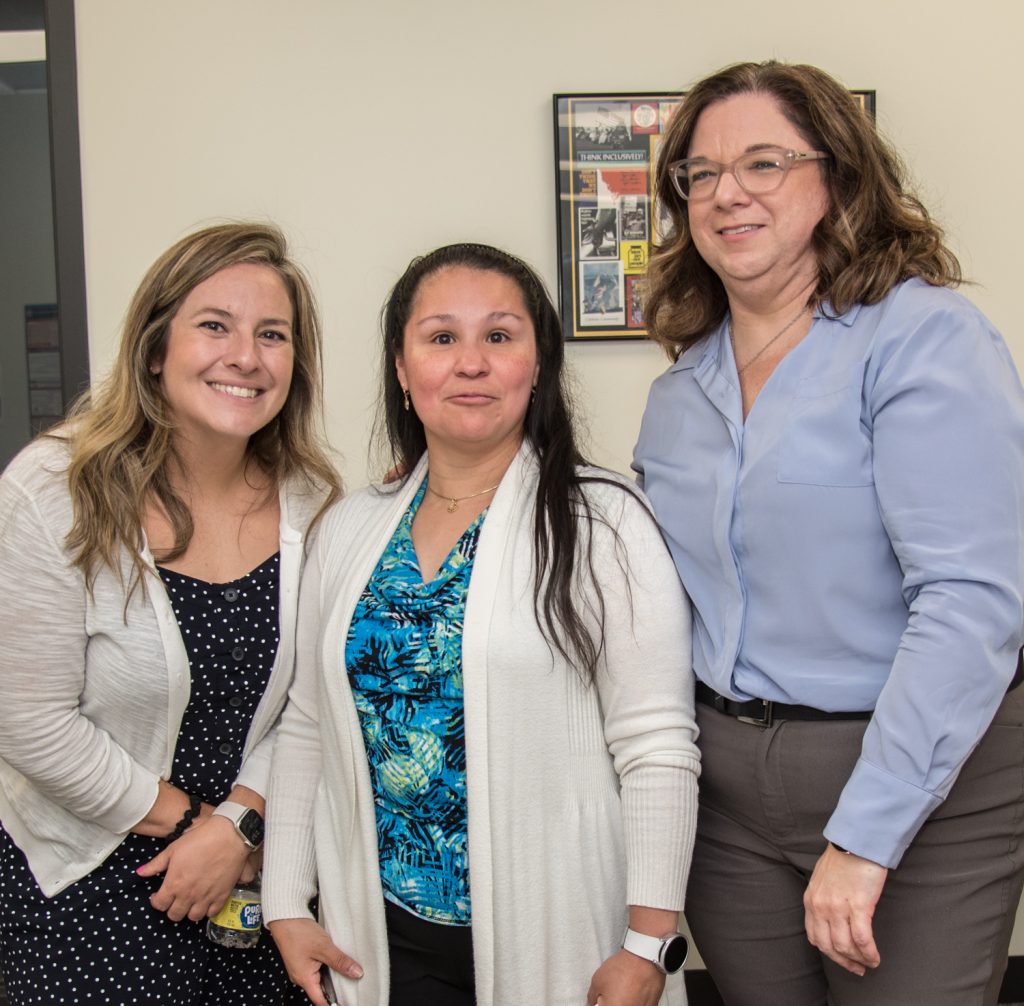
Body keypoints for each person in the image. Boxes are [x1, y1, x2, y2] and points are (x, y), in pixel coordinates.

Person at [633, 60, 1024, 1005]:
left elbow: (972, 604)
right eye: (701, 173)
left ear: (837, 180)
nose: (728, 193)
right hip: (727, 797)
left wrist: (864, 837)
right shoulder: (677, 396)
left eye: (764, 163)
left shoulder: (923, 340)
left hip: (920, 780)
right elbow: (640, 574)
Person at [263, 243, 700, 1006]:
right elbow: (307, 727)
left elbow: (657, 743)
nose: (471, 363)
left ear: (537, 366)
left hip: (561, 936)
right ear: (402, 371)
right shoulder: (350, 530)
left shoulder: (602, 522)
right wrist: (284, 904)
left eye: (499, 337)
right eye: (441, 338)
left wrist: (647, 944)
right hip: (382, 943)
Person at [0, 222, 341, 1005]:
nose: (245, 357)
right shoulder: (54, 488)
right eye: (214, 326)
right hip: (86, 878)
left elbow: (312, 699)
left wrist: (242, 826)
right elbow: (28, 720)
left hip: (253, 876)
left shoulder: (313, 502)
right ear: (156, 347)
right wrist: (194, 827)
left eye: (272, 335)